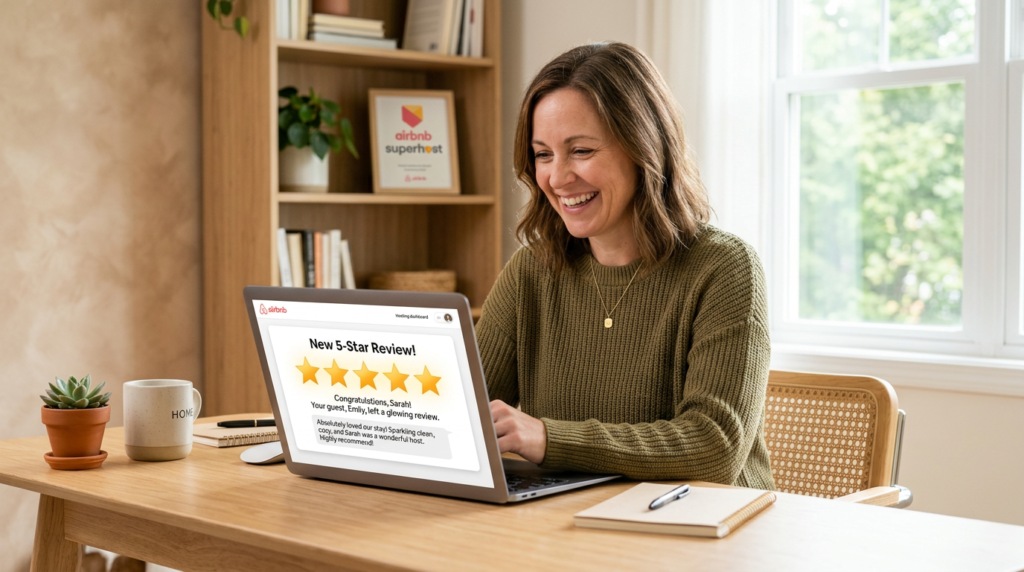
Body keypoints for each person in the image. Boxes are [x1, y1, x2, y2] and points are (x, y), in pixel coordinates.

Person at [475, 42, 774, 489]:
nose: (557, 178)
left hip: (707, 537)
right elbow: (464, 416)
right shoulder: (530, 272)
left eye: (581, 150)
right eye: (543, 155)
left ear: (643, 146)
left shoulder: (725, 268)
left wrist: (549, 438)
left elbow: (715, 448)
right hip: (567, 529)